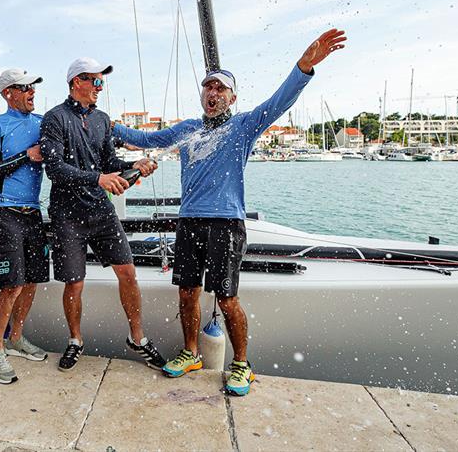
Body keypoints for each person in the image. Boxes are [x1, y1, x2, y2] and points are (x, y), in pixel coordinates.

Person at [112, 29, 347, 396]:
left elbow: (280, 102)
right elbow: (146, 140)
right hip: (189, 222)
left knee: (226, 298)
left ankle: (241, 364)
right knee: (187, 293)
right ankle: (190, 352)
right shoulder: (188, 130)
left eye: (220, 89)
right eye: (208, 87)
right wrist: (107, 124)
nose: (213, 93)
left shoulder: (243, 126)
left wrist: (303, 67)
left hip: (226, 222)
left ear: (232, 97)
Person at [39, 57, 166, 372]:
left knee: (128, 273)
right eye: (95, 81)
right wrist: (98, 178)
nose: (99, 88)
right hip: (67, 215)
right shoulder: (54, 119)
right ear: (76, 82)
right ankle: (75, 340)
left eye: (101, 83)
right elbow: (54, 169)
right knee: (75, 284)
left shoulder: (102, 120)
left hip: (100, 211)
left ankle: (137, 338)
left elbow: (109, 164)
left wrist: (134, 168)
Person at [0, 68, 49, 384]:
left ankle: (16, 338)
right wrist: (26, 155)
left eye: (33, 86)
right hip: (2, 213)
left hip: (32, 212)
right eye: (24, 87)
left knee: (32, 280)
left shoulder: (43, 123)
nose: (32, 91)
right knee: (12, 285)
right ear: (8, 92)